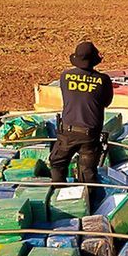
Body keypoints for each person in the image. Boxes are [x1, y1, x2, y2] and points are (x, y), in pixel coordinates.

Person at [49, 41, 114, 184]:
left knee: (57, 163)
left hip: (68, 132)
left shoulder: (65, 76)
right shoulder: (103, 80)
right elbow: (106, 103)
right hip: (90, 135)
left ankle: (60, 195)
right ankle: (86, 201)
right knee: (87, 172)